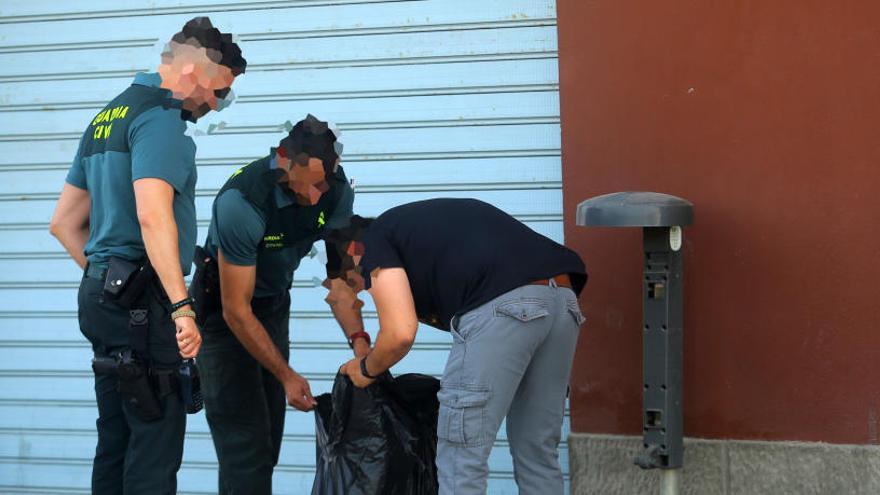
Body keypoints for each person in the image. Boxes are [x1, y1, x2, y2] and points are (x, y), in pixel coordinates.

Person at [47, 17, 245, 494]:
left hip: (103, 299)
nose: (217, 105)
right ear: (197, 69)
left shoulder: (107, 116)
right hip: (147, 311)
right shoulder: (161, 118)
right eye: (221, 90)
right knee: (154, 445)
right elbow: (154, 215)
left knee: (115, 438)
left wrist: (110, 280)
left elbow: (64, 223)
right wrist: (178, 305)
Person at [338, 198, 588, 495]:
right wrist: (360, 340)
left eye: (356, 280)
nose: (365, 286)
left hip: (506, 305)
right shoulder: (420, 234)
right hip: (564, 302)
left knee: (461, 456)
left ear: (352, 252)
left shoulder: (373, 240)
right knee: (537, 451)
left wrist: (365, 370)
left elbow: (399, 334)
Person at [192, 115, 368, 494]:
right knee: (245, 450)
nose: (320, 194)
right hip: (224, 319)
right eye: (312, 184)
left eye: (327, 180)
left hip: (273, 305)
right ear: (284, 162)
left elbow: (340, 280)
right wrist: (287, 375)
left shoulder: (336, 189)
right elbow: (236, 309)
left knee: (268, 439)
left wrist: (361, 345)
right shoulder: (242, 201)